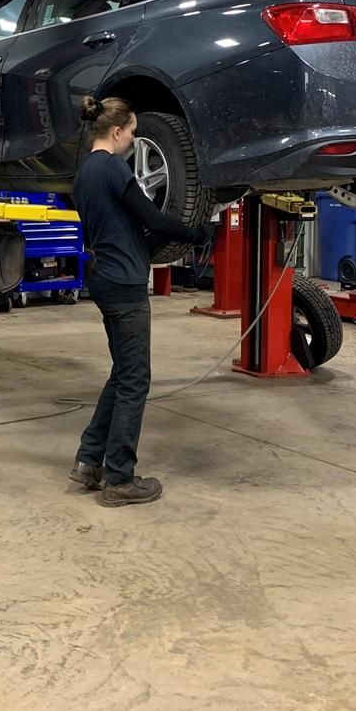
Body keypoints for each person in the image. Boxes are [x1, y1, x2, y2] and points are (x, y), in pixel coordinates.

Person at [69, 96, 216, 507]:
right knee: (136, 380)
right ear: (116, 132)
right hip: (126, 285)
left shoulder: (82, 175)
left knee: (123, 373)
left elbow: (124, 228)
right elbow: (151, 217)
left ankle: (88, 461)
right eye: (132, 132)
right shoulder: (113, 168)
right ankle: (119, 479)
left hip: (104, 278)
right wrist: (197, 233)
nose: (134, 140)